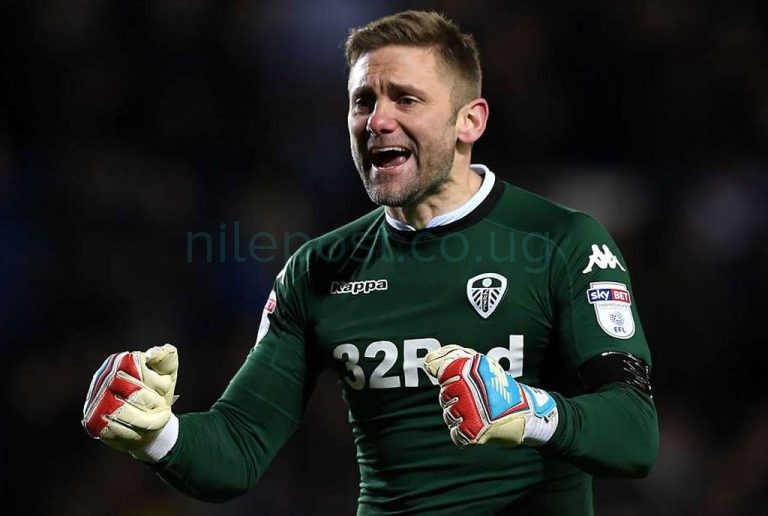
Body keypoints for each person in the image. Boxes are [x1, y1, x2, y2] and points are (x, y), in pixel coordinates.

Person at [82, 10, 658, 514]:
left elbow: (635, 433)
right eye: (363, 101)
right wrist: (156, 434)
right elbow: (237, 448)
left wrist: (529, 411)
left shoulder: (562, 242)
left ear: (470, 121)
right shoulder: (318, 270)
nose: (377, 121)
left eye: (405, 99)